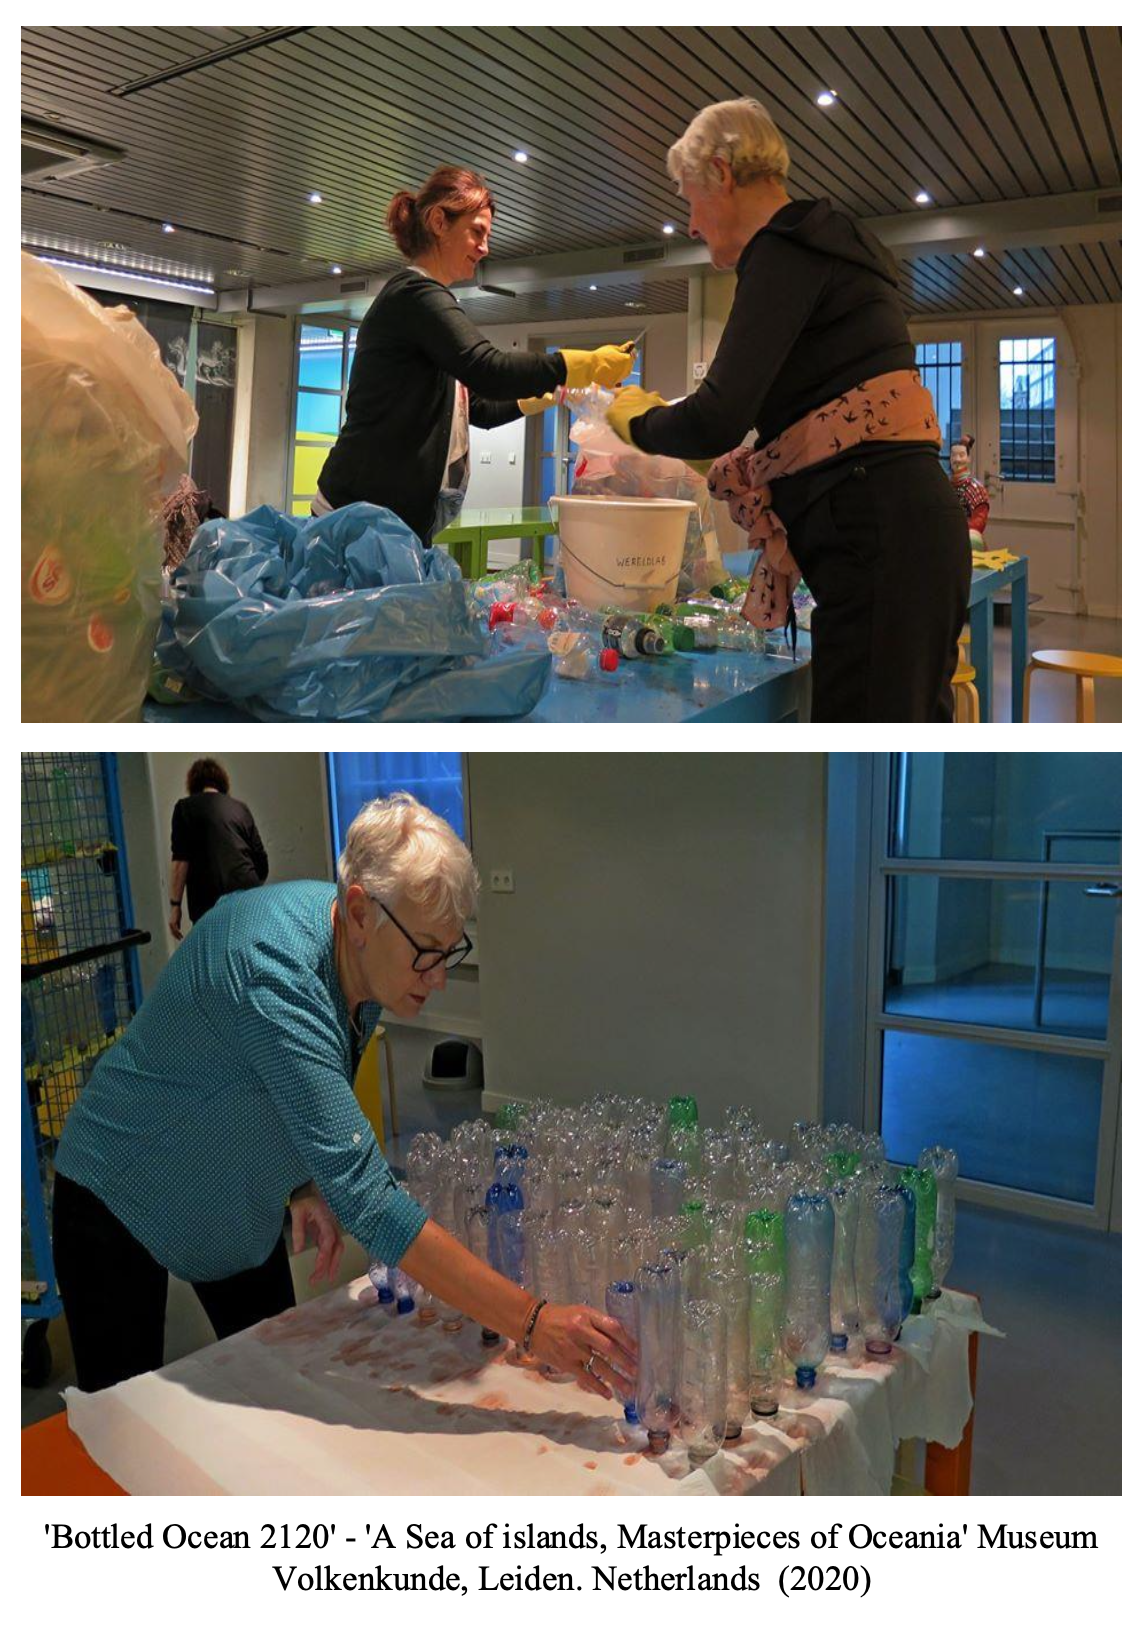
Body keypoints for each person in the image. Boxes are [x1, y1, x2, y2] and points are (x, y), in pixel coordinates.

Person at [52, 793, 634, 1398]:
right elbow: (369, 1201)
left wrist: (304, 1178)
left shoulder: (363, 951)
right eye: (426, 955)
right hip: (117, 1186)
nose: (437, 978)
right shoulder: (274, 968)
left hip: (231, 1195)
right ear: (358, 914)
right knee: (117, 1422)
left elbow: (286, 1078)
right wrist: (534, 1323)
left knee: (276, 1379)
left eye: (450, 951)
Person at [604, 99, 971, 723]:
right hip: (909, 531)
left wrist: (638, 419)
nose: (690, 224)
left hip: (877, 537)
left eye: (689, 198)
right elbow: (800, 414)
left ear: (721, 173)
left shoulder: (785, 249)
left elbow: (718, 416)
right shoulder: (834, 247)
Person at [315, 165, 636, 543]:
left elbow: (477, 409)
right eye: (477, 231)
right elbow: (488, 369)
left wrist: (546, 396)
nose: (485, 248)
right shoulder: (415, 296)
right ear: (438, 221)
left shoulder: (423, 301)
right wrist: (581, 365)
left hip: (384, 519)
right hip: (358, 518)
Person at [168, 758, 269, 942]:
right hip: (247, 896)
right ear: (222, 782)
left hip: (208, 902)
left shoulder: (185, 808)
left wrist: (175, 906)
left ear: (193, 784)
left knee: (214, 957)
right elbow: (261, 861)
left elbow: (180, 861)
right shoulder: (240, 808)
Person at [948, 435, 990, 543]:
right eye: (953, 455)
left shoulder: (976, 489)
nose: (957, 459)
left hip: (967, 540)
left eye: (961, 455)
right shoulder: (945, 485)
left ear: (968, 458)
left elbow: (978, 524)